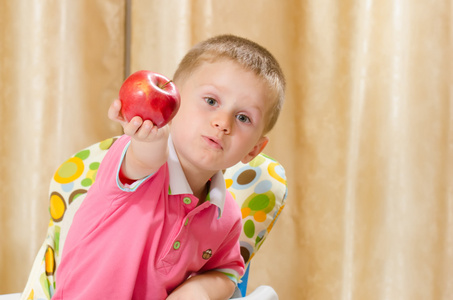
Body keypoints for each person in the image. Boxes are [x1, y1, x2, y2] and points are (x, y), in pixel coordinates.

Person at [52, 34, 286, 300]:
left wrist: (198, 290)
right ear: (173, 102)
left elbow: (229, 270)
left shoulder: (226, 216)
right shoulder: (135, 158)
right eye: (211, 101)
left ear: (254, 149)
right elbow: (144, 161)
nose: (223, 122)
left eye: (243, 117)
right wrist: (148, 139)